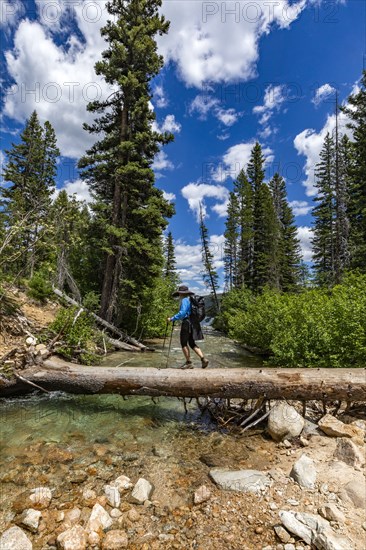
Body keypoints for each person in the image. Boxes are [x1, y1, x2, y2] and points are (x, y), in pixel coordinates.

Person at [167, 285, 209, 369]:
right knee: (192, 343)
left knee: (183, 343)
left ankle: (188, 362)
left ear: (181, 294)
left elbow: (182, 313)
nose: (179, 296)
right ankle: (203, 359)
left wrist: (172, 318)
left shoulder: (184, 300)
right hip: (193, 323)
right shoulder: (191, 300)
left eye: (179, 294)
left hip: (186, 322)